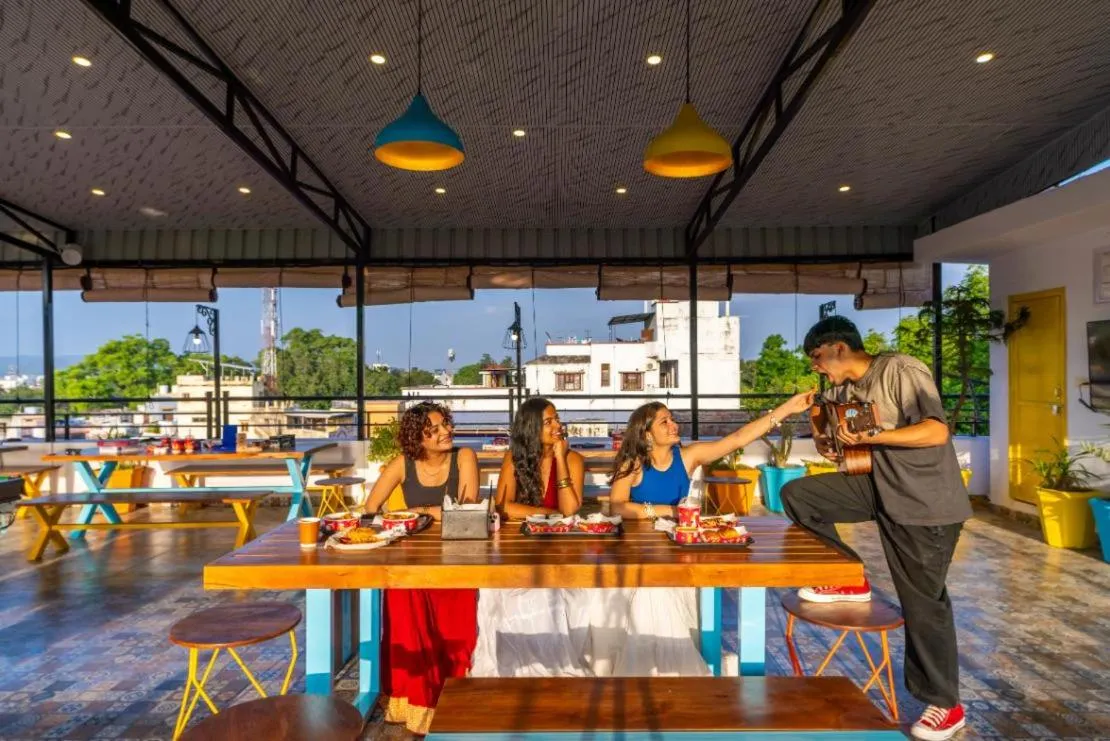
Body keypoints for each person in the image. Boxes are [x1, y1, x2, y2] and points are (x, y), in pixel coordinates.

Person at [781, 316, 970, 741]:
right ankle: (850, 579)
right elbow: (821, 412)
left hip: (925, 505)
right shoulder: (842, 388)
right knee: (800, 495)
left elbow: (936, 432)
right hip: (878, 488)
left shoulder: (901, 370)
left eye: (816, 357)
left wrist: (878, 435)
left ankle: (946, 703)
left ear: (838, 348)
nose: (815, 366)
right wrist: (830, 439)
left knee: (923, 603)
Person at [593, 392, 814, 676]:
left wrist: (786, 409)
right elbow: (618, 506)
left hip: (676, 546)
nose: (674, 425)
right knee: (655, 602)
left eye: (672, 419)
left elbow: (736, 440)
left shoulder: (687, 456)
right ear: (646, 434)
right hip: (640, 552)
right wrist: (665, 511)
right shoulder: (633, 464)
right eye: (664, 422)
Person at [363, 401, 480, 735]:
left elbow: (467, 511)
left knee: (457, 632)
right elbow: (371, 509)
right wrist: (433, 512)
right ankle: (416, 708)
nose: (446, 432)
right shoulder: (403, 463)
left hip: (458, 556)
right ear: (419, 435)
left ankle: (456, 703)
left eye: (446, 424)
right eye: (435, 428)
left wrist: (419, 511)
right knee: (408, 627)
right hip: (410, 559)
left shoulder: (465, 457)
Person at [470, 397, 591, 677]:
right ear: (532, 427)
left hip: (559, 548)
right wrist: (546, 513)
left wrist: (560, 458)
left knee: (555, 595)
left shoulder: (573, 460)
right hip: (519, 544)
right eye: (549, 421)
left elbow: (571, 508)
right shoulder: (515, 458)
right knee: (505, 595)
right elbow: (503, 505)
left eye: (557, 419)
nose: (557, 425)